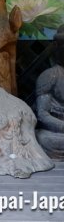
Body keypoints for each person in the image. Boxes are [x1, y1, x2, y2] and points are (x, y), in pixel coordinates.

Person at [35, 24, 64, 160]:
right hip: (57, 130)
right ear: (57, 47)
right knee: (43, 138)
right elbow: (42, 113)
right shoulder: (51, 75)